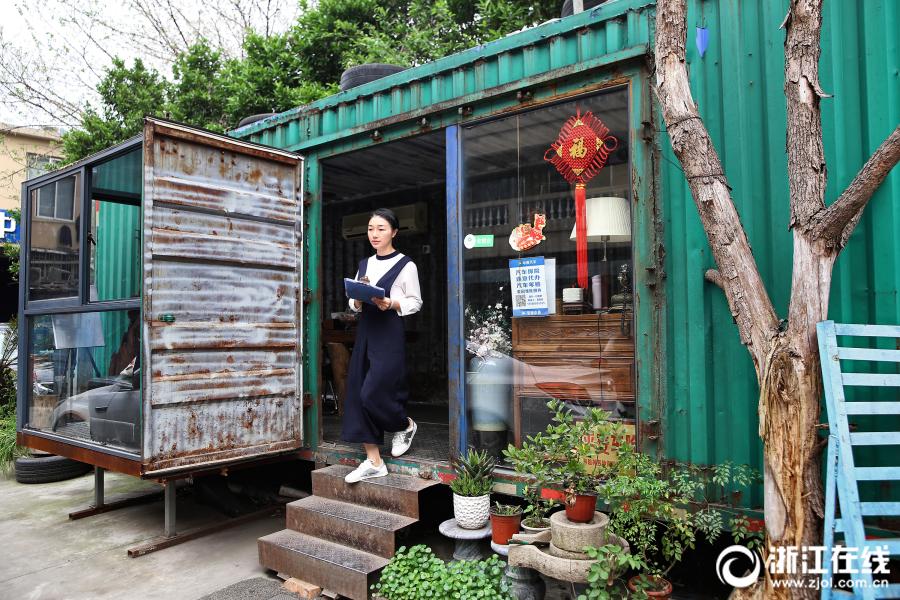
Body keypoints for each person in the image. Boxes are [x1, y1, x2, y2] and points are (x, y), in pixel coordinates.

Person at [341, 208, 422, 483]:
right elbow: (352, 302)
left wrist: (392, 303)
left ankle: (404, 425)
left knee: (375, 391)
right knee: (357, 392)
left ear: (394, 232)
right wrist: (357, 301)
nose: (374, 234)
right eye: (371, 228)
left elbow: (415, 301)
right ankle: (374, 461)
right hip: (366, 330)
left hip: (389, 330)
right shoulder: (364, 264)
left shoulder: (406, 264)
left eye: (381, 229)